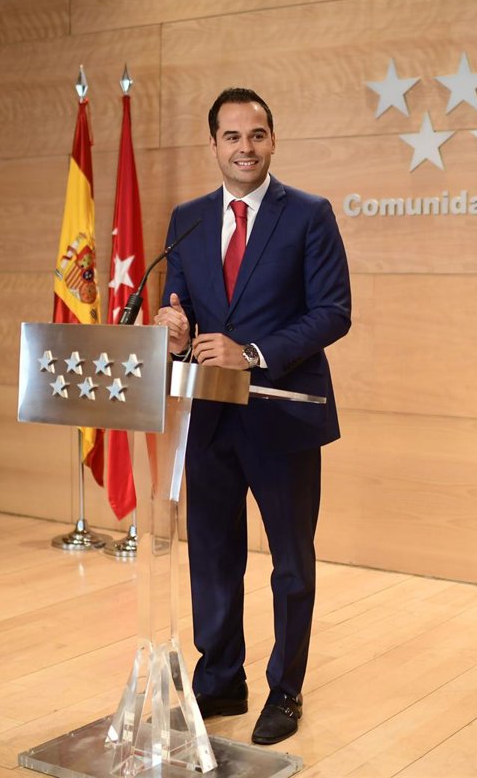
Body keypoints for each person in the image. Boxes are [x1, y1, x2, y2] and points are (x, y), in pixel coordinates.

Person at [154, 87, 351, 745]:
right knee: (213, 555)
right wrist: (174, 331)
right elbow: (177, 304)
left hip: (282, 416)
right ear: (213, 144)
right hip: (208, 414)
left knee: (290, 561)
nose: (246, 148)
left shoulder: (309, 215)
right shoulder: (187, 219)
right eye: (233, 136)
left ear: (273, 140)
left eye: (257, 135)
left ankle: (285, 691)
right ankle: (220, 680)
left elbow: (333, 312)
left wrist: (254, 353)